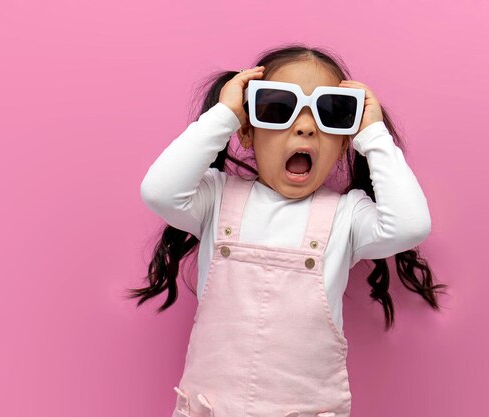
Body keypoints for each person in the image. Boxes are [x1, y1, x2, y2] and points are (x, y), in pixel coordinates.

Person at [129, 44, 445, 417]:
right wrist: (226, 115)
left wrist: (374, 135)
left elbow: (410, 225)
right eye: (278, 108)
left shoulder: (347, 217)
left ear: (345, 140)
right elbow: (159, 192)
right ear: (247, 133)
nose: (306, 126)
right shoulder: (216, 198)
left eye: (330, 113)